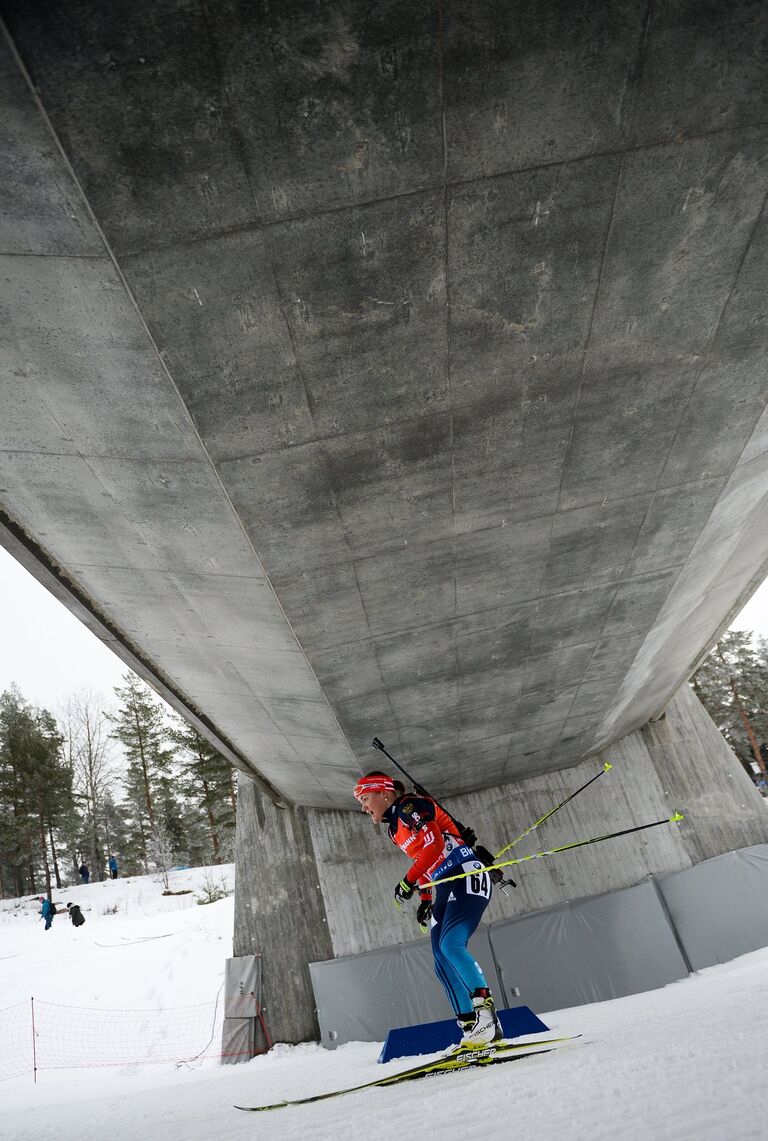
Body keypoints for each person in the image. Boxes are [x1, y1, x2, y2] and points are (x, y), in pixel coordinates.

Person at [353, 771, 503, 1053]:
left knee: (451, 944)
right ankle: (470, 1027)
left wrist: (407, 881)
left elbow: (434, 844)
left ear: (384, 793)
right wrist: (424, 897)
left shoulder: (409, 806)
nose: (363, 806)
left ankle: (488, 1019)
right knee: (440, 959)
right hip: (444, 885)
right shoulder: (393, 829)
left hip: (464, 874)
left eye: (365, 798)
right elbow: (423, 857)